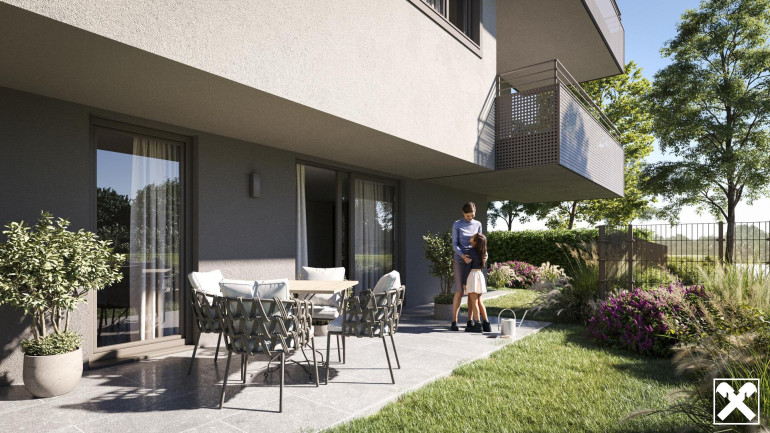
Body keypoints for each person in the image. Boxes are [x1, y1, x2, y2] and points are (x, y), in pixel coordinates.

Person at [450, 202, 491, 332]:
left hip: (473, 262)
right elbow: (454, 244)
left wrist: (485, 254)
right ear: (463, 213)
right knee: (459, 291)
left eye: (472, 215)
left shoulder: (478, 224)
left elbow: (481, 241)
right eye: (468, 216)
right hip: (460, 260)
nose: (470, 218)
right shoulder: (457, 224)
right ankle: (454, 322)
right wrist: (463, 256)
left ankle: (470, 321)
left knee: (471, 292)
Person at [464, 233, 488, 333]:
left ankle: (477, 325)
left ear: (476, 241)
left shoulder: (471, 251)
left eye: (473, 237)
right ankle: (486, 325)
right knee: (479, 301)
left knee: (474, 301)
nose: (471, 237)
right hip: (480, 275)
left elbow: (467, 267)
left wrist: (464, 282)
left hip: (472, 275)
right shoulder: (483, 252)